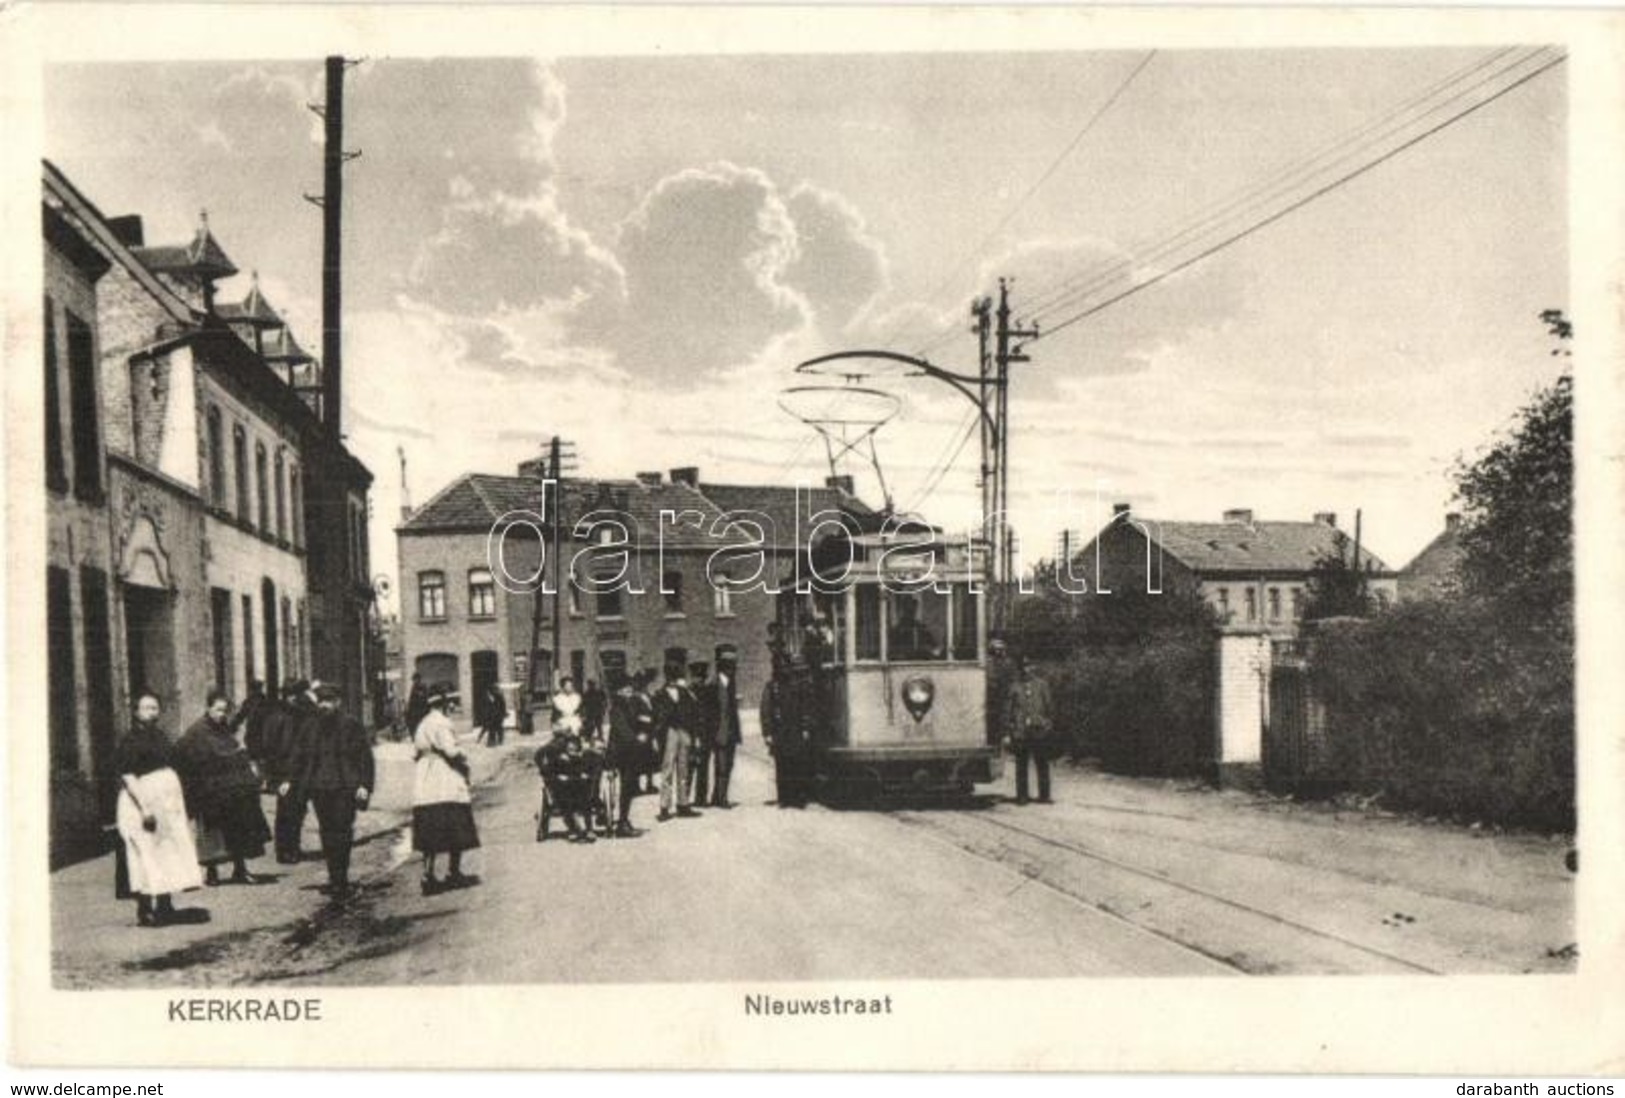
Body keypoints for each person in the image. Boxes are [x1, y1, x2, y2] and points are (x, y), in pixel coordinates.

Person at [113, 692, 205, 927]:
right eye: (146, 708)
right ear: (135, 711)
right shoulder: (131, 740)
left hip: (166, 806)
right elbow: (129, 776)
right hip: (142, 805)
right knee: (145, 854)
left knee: (167, 851)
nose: (151, 713)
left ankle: (165, 905)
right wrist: (145, 809)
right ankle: (145, 909)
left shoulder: (161, 736)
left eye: (154, 708)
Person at [281, 682, 375, 900]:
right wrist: (288, 779)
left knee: (342, 832)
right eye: (321, 701)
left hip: (344, 788)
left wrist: (364, 785)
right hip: (319, 789)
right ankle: (336, 879)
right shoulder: (310, 726)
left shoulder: (351, 725)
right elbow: (299, 755)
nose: (324, 705)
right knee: (327, 832)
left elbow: (365, 758)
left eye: (328, 701)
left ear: (337, 702)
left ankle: (340, 879)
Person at [176, 689, 272, 886]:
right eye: (218, 710)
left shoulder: (223, 729)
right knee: (212, 832)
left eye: (225, 711)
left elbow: (232, 750)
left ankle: (240, 868)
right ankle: (212, 872)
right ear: (208, 708)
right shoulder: (197, 731)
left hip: (229, 789)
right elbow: (188, 756)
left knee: (238, 826)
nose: (221, 714)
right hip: (208, 790)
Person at [412, 684, 480, 894]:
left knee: (429, 827)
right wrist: (464, 756)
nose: (452, 706)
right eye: (450, 702)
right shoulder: (442, 723)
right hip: (444, 777)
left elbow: (416, 752)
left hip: (425, 778)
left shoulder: (423, 723)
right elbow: (451, 751)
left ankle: (428, 873)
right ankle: (454, 871)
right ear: (443, 704)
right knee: (455, 822)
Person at [266, 678, 313, 864]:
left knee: (298, 810)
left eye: (297, 694)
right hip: (284, 771)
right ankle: (285, 850)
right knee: (286, 812)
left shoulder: (299, 714)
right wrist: (278, 777)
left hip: (298, 771)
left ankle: (293, 847)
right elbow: (272, 749)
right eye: (291, 695)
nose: (294, 698)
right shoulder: (278, 717)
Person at [653, 662, 701, 822]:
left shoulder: (685, 693)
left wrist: (693, 734)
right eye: (671, 675)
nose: (673, 679)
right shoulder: (659, 695)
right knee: (667, 769)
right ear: (666, 677)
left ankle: (683, 804)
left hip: (684, 731)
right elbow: (656, 718)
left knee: (683, 768)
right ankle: (664, 806)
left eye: (675, 675)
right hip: (669, 733)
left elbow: (694, 712)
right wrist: (657, 735)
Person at [1004, 656, 1056, 805]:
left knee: (1042, 764)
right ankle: (1022, 796)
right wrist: (1009, 731)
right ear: (1020, 670)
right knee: (1021, 766)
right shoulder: (1014, 687)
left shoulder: (1042, 686)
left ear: (1034, 668)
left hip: (1039, 730)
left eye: (1029, 666)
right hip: (1020, 732)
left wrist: (1047, 725)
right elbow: (1008, 711)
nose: (1027, 670)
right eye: (1024, 667)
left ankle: (1044, 796)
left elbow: (1049, 707)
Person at [535, 725, 599, 842]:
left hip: (580, 788)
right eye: (569, 748)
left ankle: (589, 829)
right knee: (566, 799)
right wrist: (558, 777)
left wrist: (586, 774)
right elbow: (548, 770)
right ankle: (573, 829)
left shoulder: (583, 756)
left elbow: (591, 768)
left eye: (574, 748)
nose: (571, 750)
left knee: (585, 796)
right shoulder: (555, 755)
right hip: (564, 790)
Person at [601, 672, 646, 837]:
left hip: (630, 752)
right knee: (626, 788)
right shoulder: (616, 708)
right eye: (626, 689)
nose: (629, 692)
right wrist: (637, 739)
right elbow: (623, 732)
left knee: (629, 788)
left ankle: (624, 820)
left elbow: (643, 719)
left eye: (630, 689)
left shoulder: (632, 704)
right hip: (620, 753)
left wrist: (643, 732)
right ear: (619, 692)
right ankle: (622, 823)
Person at [709, 645, 743, 808]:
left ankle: (718, 796)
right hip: (719, 733)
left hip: (730, 732)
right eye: (731, 666)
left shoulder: (731, 683)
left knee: (728, 765)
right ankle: (721, 799)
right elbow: (710, 712)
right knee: (721, 766)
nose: (734, 670)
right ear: (724, 667)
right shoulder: (714, 684)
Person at [687, 661, 715, 807]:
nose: (699, 679)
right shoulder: (688, 692)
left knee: (703, 767)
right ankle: (684, 799)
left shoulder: (708, 691)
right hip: (692, 734)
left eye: (701, 677)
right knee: (689, 766)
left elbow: (712, 713)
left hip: (705, 734)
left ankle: (701, 798)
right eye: (697, 677)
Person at [232, 680, 270, 771]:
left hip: (253, 734)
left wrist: (231, 729)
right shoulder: (266, 701)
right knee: (262, 759)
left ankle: (259, 776)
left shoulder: (249, 702)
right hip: (264, 734)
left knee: (254, 759)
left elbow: (240, 717)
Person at [633, 668, 659, 794]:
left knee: (650, 758)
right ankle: (636, 786)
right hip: (640, 730)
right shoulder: (635, 697)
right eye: (642, 682)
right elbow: (634, 714)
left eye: (645, 682)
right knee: (638, 758)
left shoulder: (648, 695)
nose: (644, 685)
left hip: (649, 730)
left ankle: (650, 783)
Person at [404, 673, 430, 741]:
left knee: (419, 725)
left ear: (418, 679)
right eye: (414, 680)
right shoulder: (414, 686)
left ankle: (419, 737)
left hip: (420, 711)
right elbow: (411, 699)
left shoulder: (422, 687)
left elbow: (424, 699)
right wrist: (408, 709)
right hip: (414, 710)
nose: (414, 681)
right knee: (412, 724)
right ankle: (414, 737)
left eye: (415, 679)